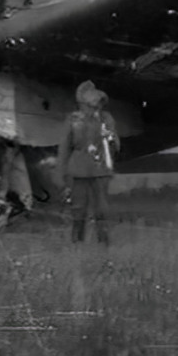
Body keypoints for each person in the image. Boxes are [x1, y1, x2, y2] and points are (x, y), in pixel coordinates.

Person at [57, 80, 118, 244]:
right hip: (78, 170)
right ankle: (77, 242)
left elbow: (116, 146)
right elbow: (64, 149)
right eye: (92, 105)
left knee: (102, 209)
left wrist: (109, 137)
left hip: (100, 170)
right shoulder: (73, 120)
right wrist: (62, 175)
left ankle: (104, 242)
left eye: (98, 104)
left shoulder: (106, 119)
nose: (96, 108)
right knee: (78, 208)